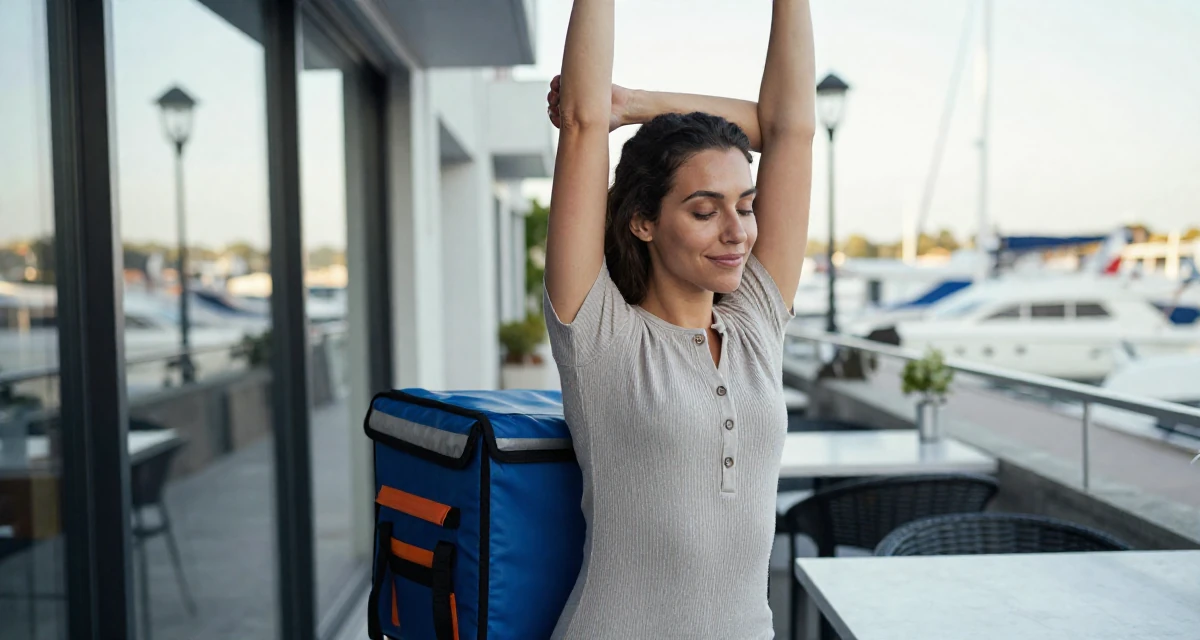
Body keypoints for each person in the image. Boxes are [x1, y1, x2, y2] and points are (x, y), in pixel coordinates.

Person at [542, 1, 814, 638]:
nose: (736, 233)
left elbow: (790, 130)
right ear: (643, 220)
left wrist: (633, 104)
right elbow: (581, 122)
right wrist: (600, 114)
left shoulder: (755, 323)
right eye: (703, 210)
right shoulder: (602, 334)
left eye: (745, 207)